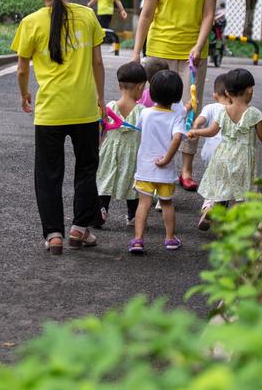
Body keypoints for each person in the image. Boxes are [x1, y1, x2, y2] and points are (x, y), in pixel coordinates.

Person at [11, 0, 108, 256]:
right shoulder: (88, 15)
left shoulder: (31, 22)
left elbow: (21, 69)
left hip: (50, 111)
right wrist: (101, 99)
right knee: (87, 168)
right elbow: (98, 64)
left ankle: (54, 235)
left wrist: (25, 94)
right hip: (85, 110)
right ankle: (80, 228)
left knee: (48, 174)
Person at [133, 0, 225, 192]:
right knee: (155, 109)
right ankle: (151, 164)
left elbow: (209, 14)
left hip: (192, 54)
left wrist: (198, 45)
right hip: (160, 49)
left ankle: (185, 169)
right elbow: (147, 14)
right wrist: (138, 51)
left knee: (189, 110)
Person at [188, 68, 262, 226]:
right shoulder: (254, 114)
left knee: (222, 187)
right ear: (249, 91)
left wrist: (195, 131)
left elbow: (211, 131)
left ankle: (211, 209)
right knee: (241, 192)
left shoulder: (223, 111)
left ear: (227, 92)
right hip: (243, 158)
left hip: (222, 155)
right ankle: (236, 222)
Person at [129, 70, 187, 254]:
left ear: (152, 92)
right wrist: (167, 159)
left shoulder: (145, 113)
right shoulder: (176, 116)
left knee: (143, 203)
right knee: (167, 203)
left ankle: (138, 240)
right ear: (177, 96)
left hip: (146, 167)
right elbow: (177, 138)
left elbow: (137, 129)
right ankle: (170, 238)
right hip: (165, 170)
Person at [97, 62, 147, 226]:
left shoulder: (110, 106)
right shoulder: (142, 111)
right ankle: (132, 215)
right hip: (132, 152)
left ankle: (102, 210)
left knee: (105, 178)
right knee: (132, 183)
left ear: (119, 85)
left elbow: (101, 128)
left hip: (110, 149)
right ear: (140, 87)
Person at [192, 74, 229, 230]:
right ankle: (216, 208)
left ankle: (208, 206)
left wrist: (195, 129)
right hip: (228, 151)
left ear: (215, 95)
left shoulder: (210, 107)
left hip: (209, 152)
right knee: (225, 182)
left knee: (213, 179)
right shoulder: (236, 109)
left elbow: (200, 120)